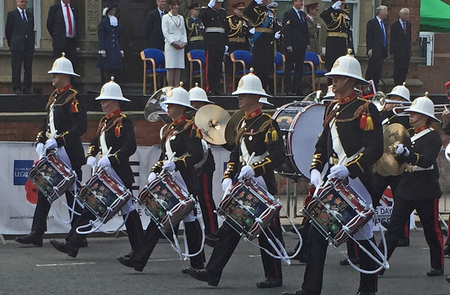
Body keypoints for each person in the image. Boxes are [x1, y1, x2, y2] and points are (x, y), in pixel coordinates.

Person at [283, 52, 383, 295]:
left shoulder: (366, 108)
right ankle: (310, 288)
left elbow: (375, 149)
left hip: (358, 182)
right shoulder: (332, 109)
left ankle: (368, 289)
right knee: (317, 231)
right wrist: (316, 169)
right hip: (335, 184)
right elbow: (322, 146)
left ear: (350, 81)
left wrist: (349, 168)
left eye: (337, 78)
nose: (333, 82)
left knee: (362, 237)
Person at [186, 70, 285, 289]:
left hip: (261, 185)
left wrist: (256, 169)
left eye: (244, 94)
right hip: (244, 186)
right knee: (230, 228)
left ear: (254, 97)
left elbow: (278, 156)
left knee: (268, 232)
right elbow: (235, 156)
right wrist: (228, 176)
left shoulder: (267, 123)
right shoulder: (242, 124)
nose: (239, 97)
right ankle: (212, 272)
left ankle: (275, 275)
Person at [49, 79, 144, 258]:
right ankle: (73, 244)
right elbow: (95, 142)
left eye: (106, 100)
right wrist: (91, 155)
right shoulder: (105, 122)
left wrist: (112, 159)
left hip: (119, 174)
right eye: (102, 100)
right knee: (91, 208)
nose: (102, 103)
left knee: (128, 210)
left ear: (116, 101)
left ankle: (139, 251)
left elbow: (130, 146)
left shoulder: (124, 122)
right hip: (106, 175)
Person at [117, 86, 205, 273]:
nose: (168, 108)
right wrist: (156, 170)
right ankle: (139, 259)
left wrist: (178, 164)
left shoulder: (190, 128)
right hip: (170, 181)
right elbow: (165, 156)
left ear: (182, 107)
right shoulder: (170, 128)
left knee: (189, 219)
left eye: (172, 105)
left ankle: (197, 263)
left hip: (184, 180)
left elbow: (197, 154)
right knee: (161, 218)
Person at [15, 54, 86, 247]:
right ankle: (37, 232)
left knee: (73, 193)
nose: (52, 78)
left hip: (68, 152)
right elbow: (46, 122)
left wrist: (60, 140)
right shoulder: (54, 96)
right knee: (45, 190)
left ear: (65, 75)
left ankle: (78, 233)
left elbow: (80, 126)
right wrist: (41, 139)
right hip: (53, 150)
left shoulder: (74, 97)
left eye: (56, 74)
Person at [377, 94, 444, 277]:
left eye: (415, 113)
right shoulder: (410, 135)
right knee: (393, 229)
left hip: (425, 190)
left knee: (431, 230)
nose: (410, 115)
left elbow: (426, 161)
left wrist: (406, 154)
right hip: (406, 188)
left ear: (424, 116)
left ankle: (437, 265)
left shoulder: (432, 137)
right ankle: (377, 262)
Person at [188, 84, 219, 246]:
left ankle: (212, 231)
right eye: (192, 104)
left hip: (205, 164)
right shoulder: (187, 121)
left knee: (205, 198)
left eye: (197, 104)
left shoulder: (208, 121)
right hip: (190, 163)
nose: (194, 107)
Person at [243, 0, 281, 93]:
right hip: (259, 43)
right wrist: (254, 2)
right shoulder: (255, 10)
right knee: (259, 67)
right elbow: (246, 12)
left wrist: (276, 33)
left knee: (268, 68)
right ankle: (259, 89)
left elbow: (274, 25)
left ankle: (269, 89)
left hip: (268, 43)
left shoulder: (269, 12)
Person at [5, 0, 35, 95]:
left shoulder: (30, 15)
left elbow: (31, 30)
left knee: (28, 67)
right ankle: (17, 88)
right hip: (17, 46)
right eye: (21, 2)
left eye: (25, 2)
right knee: (16, 68)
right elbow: (8, 31)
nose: (23, 4)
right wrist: (12, 43)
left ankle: (27, 88)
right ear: (17, 2)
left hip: (28, 46)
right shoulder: (12, 14)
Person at [199, 0, 228, 95]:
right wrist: (208, 7)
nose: (219, 5)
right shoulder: (207, 11)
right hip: (210, 43)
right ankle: (210, 88)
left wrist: (226, 43)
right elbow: (201, 17)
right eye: (217, 3)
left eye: (220, 3)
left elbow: (225, 29)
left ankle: (217, 87)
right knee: (210, 66)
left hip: (220, 43)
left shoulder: (223, 12)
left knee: (218, 66)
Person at [282, 0, 309, 96]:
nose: (301, 3)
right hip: (292, 46)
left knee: (299, 67)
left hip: (301, 45)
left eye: (302, 1)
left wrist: (307, 43)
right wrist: (288, 44)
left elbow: (305, 29)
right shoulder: (289, 14)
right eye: (299, 1)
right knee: (289, 67)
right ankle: (288, 89)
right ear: (294, 2)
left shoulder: (302, 15)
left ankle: (298, 88)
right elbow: (287, 30)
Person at [320, 0, 353, 72]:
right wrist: (332, 8)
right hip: (332, 43)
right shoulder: (330, 13)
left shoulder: (346, 14)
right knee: (331, 66)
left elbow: (348, 32)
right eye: (341, 4)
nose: (343, 6)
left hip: (343, 43)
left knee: (342, 66)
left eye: (343, 4)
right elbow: (322, 16)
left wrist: (351, 47)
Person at [225, 2, 251, 93]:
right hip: (233, 45)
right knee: (232, 68)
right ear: (235, 10)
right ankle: (232, 87)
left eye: (242, 10)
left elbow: (247, 35)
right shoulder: (229, 20)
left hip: (243, 45)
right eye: (239, 10)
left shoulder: (245, 21)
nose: (241, 12)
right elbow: (226, 34)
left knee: (244, 67)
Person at [96, 3, 124, 84]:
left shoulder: (116, 21)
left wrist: (121, 49)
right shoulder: (103, 22)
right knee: (106, 68)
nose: (114, 12)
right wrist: (102, 49)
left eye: (114, 10)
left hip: (115, 48)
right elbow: (101, 36)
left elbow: (119, 36)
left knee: (115, 69)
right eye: (112, 10)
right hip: (107, 48)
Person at [162, 0, 187, 87]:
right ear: (170, 6)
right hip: (170, 45)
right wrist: (173, 43)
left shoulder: (181, 18)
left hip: (180, 45)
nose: (176, 7)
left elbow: (183, 31)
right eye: (174, 5)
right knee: (171, 67)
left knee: (178, 67)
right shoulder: (165, 17)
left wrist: (184, 42)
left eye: (177, 5)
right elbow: (165, 32)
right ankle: (170, 87)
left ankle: (176, 86)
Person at [47, 0, 79, 67]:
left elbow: (77, 24)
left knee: (71, 64)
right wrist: (56, 36)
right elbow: (49, 24)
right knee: (59, 65)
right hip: (60, 42)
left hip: (71, 42)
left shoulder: (74, 8)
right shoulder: (55, 8)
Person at [365, 5, 389, 90]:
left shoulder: (384, 24)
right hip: (374, 52)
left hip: (381, 53)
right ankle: (368, 90)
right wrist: (369, 49)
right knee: (371, 72)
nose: (387, 13)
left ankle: (375, 90)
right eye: (386, 11)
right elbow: (369, 37)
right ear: (381, 12)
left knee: (378, 74)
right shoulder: (372, 22)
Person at [390, 8, 412, 86]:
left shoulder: (409, 25)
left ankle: (402, 83)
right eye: (406, 14)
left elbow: (409, 38)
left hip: (406, 53)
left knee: (405, 70)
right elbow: (392, 39)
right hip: (398, 53)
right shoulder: (395, 25)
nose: (407, 16)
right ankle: (397, 84)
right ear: (401, 14)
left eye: (408, 14)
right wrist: (393, 51)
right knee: (398, 70)